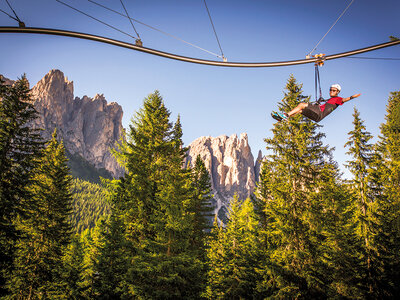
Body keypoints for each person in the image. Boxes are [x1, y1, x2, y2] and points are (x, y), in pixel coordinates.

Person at [273, 84, 361, 123]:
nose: (331, 91)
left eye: (333, 90)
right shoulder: (330, 100)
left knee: (301, 105)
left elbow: (344, 100)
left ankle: (285, 115)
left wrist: (352, 97)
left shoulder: (338, 99)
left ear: (337, 92)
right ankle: (283, 118)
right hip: (318, 117)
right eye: (330, 90)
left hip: (319, 113)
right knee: (300, 110)